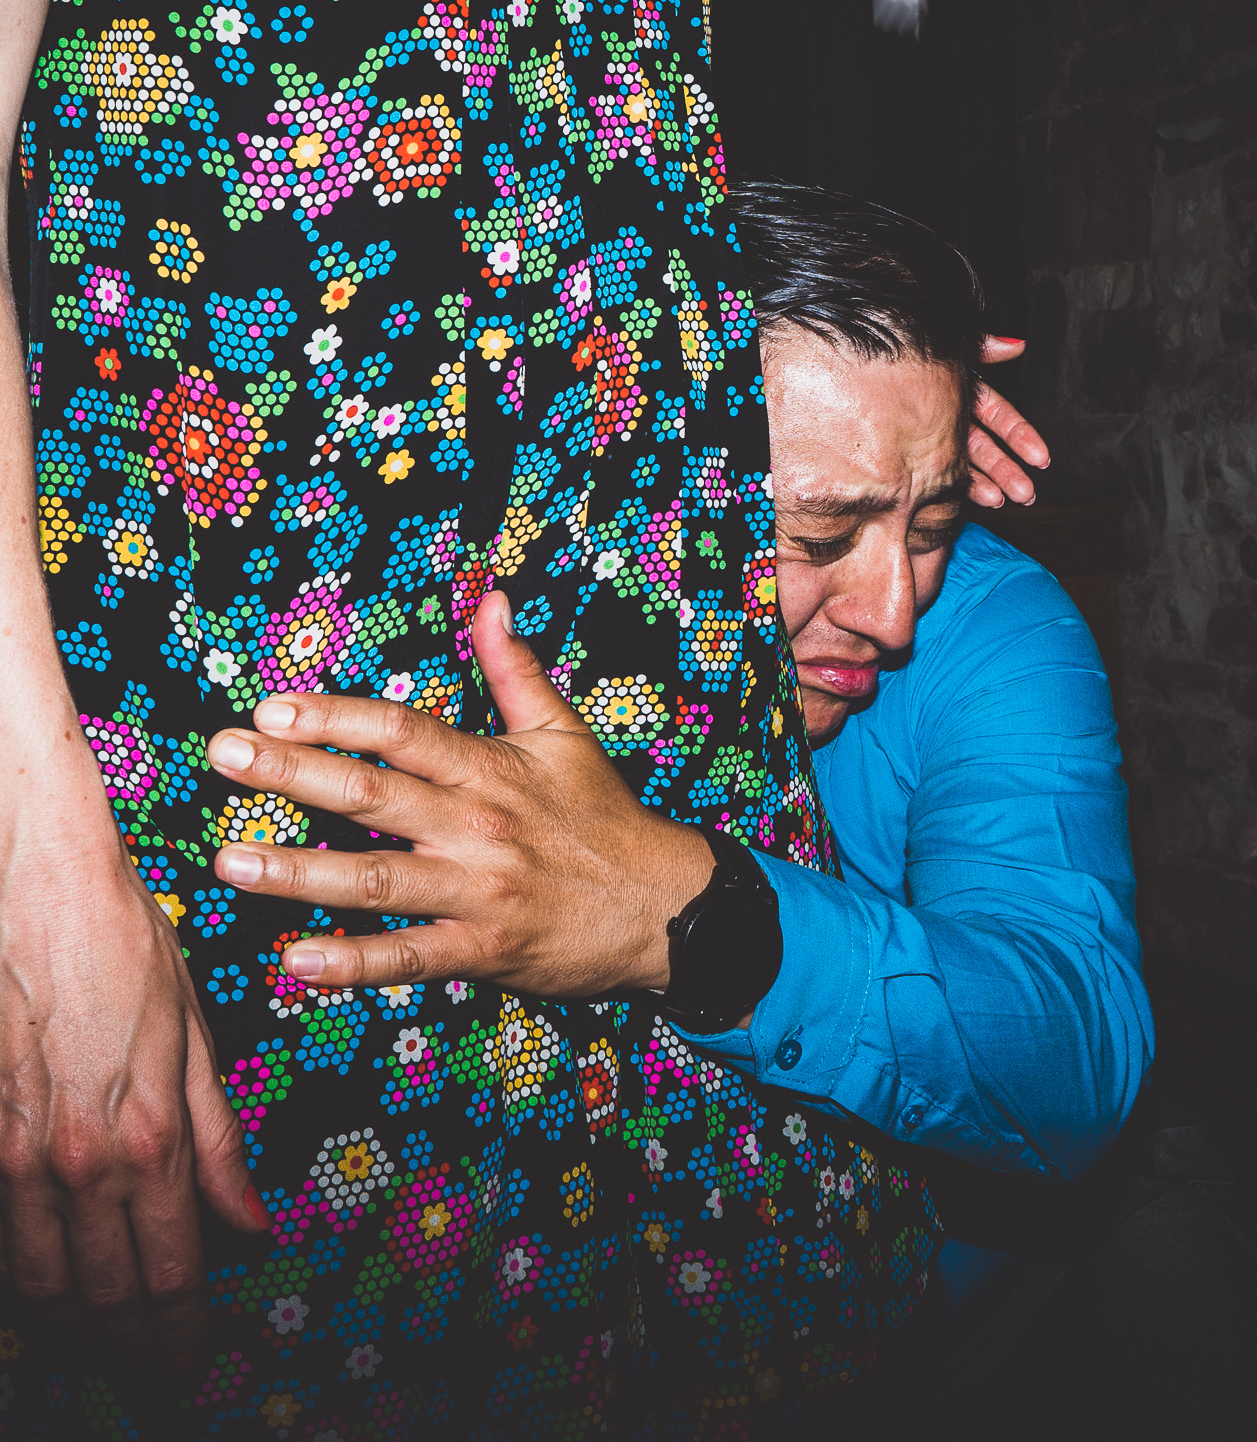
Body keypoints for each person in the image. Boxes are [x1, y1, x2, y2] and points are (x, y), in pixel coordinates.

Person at [0, 0, 1046, 1434]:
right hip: (277, 727)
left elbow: (572, 107)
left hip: (665, 717)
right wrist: (18, 863)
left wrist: (866, 379)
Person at [202, 181, 1155, 1407]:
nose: (891, 610)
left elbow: (1071, 1064)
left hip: (918, 1340)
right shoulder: (498, 601)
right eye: (817, 534)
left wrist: (693, 919)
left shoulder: (992, 626)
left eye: (930, 521)